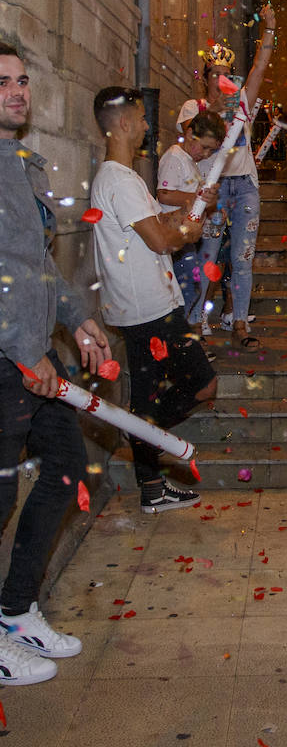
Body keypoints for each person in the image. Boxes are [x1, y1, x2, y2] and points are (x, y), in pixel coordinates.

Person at [0, 43, 111, 685]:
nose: (17, 92)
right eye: (3, 83)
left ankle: (16, 610)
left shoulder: (21, 162)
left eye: (22, 81)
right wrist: (26, 352)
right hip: (10, 360)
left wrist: (76, 316)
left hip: (33, 355)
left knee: (67, 467)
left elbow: (35, 265)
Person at [91, 86, 217, 515]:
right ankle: (142, 437)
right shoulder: (119, 179)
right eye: (142, 118)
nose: (148, 126)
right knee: (203, 383)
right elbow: (162, 239)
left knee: (146, 396)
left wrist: (190, 211)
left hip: (145, 306)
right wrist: (188, 231)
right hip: (148, 310)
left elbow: (156, 223)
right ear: (124, 123)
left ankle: (150, 480)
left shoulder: (123, 178)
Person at [178, 3, 275, 348]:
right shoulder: (194, 108)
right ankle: (198, 319)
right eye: (213, 74)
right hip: (212, 191)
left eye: (226, 74)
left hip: (245, 187)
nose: (219, 81)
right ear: (204, 78)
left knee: (242, 258)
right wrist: (215, 110)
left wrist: (271, 31)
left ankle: (239, 324)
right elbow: (189, 136)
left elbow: (260, 68)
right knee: (208, 255)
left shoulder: (243, 103)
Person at [156, 110, 225, 315]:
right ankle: (179, 333)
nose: (205, 154)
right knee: (185, 289)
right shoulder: (175, 158)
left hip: (186, 236)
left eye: (211, 151)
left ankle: (183, 330)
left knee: (190, 287)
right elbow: (165, 194)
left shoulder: (188, 161)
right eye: (204, 147)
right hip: (174, 235)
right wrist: (197, 198)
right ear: (189, 134)